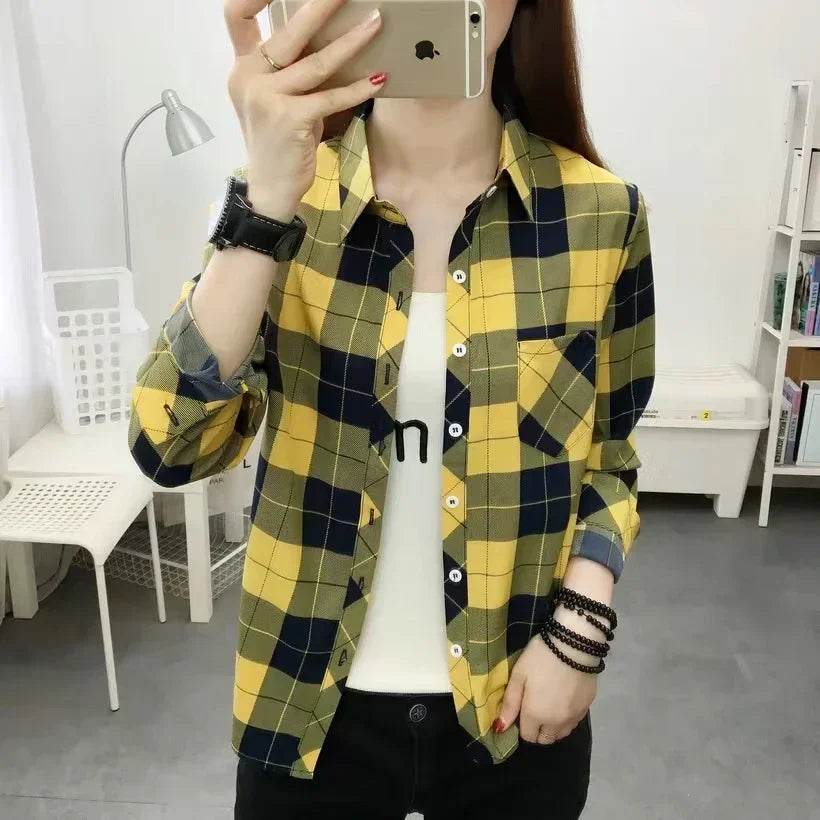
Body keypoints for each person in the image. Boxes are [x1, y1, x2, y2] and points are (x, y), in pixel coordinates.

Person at [128, 0, 655, 816]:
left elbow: (609, 457)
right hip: (303, 697)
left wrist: (578, 638)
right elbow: (170, 446)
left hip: (515, 699)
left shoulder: (600, 214)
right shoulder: (280, 202)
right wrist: (266, 200)